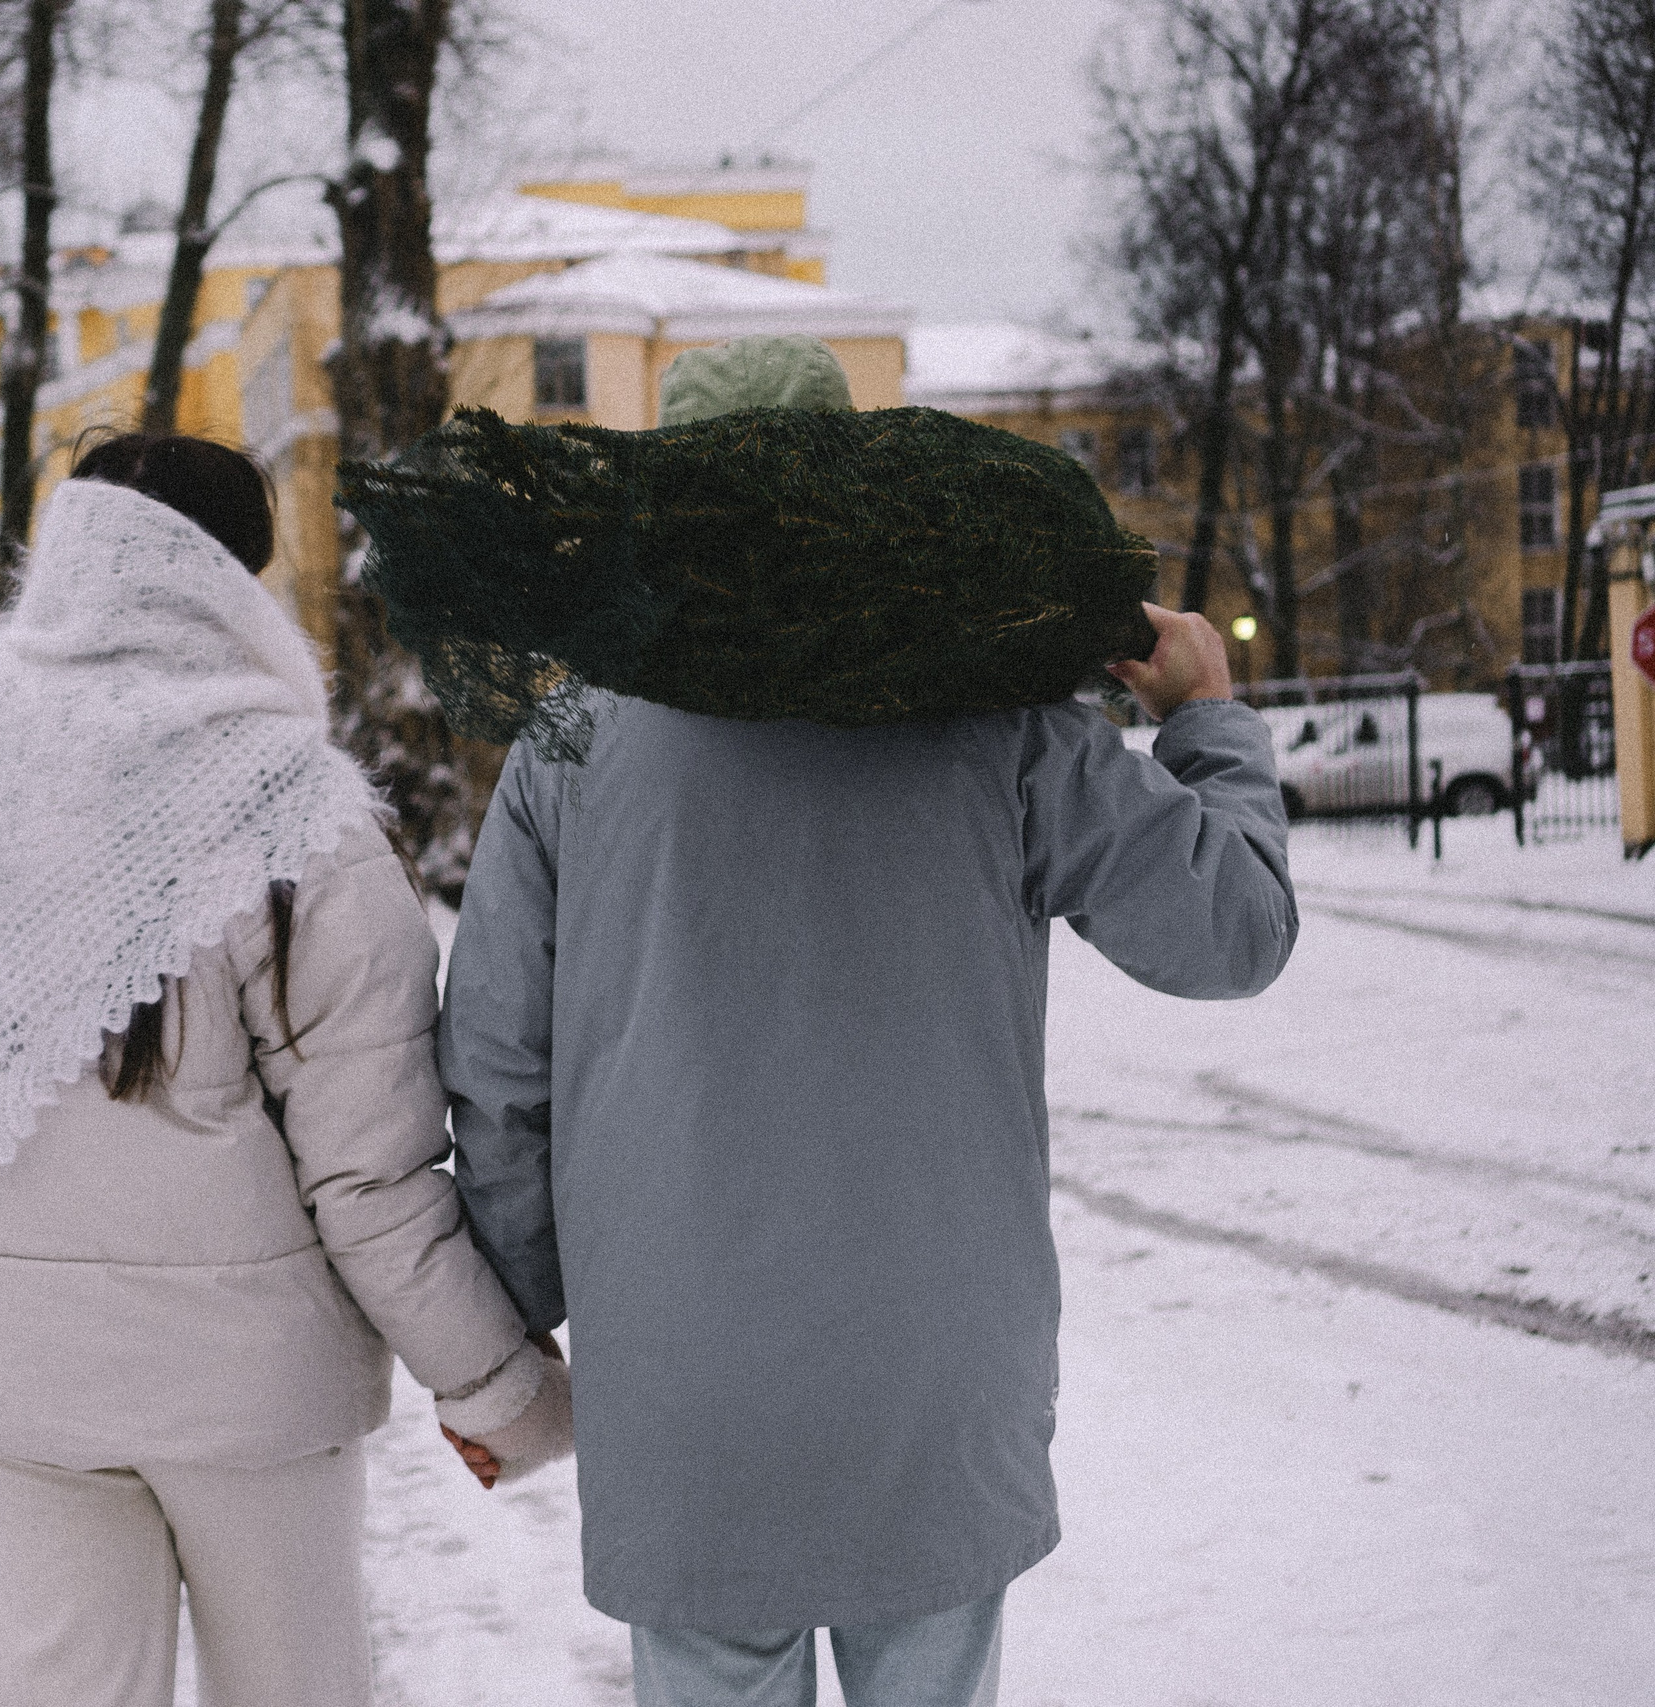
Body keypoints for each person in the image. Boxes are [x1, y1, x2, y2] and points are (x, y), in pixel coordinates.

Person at [437, 338, 1299, 1707]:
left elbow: (497, 1068)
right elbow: (1233, 932)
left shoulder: (570, 742)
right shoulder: (1003, 727)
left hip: (683, 1381)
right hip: (937, 1376)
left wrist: (518, 1312)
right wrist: (1205, 717)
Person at [0, 432, 568, 1707]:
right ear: (236, 581)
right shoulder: (290, 804)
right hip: (246, 1393)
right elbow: (369, 1175)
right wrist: (497, 1388)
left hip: (20, 1378)